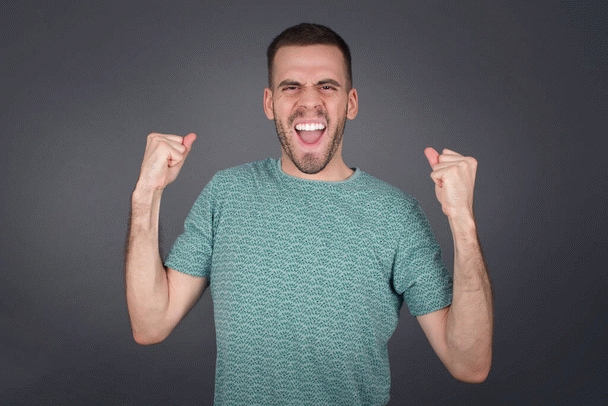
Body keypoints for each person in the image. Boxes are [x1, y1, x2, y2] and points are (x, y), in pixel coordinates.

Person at [125, 23, 493, 406]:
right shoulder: (227, 193)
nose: (309, 101)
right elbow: (151, 324)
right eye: (291, 87)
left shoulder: (396, 215)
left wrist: (463, 221)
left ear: (351, 102)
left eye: (327, 86)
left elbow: (470, 365)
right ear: (269, 103)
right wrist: (146, 193)